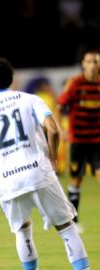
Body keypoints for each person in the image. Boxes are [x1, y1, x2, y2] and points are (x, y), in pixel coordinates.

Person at [0, 57, 90, 270]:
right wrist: (52, 158)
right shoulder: (29, 99)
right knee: (66, 228)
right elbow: (52, 129)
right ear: (11, 78)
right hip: (39, 171)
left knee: (22, 230)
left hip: (8, 182)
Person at [54, 50, 100, 231]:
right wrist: (60, 129)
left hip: (97, 141)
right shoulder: (75, 84)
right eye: (89, 61)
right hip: (78, 141)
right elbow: (59, 107)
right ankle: (74, 219)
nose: (93, 65)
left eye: (95, 61)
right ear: (83, 64)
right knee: (76, 181)